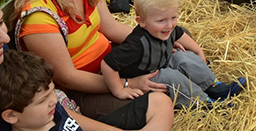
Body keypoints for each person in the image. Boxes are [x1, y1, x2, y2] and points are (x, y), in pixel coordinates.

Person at [14, 0, 173, 126]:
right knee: (160, 104)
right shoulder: (39, 16)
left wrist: (155, 38)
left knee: (167, 63)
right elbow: (67, 77)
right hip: (84, 90)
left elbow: (112, 28)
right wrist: (125, 83)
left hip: (110, 66)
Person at [101, 0, 245, 107]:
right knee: (170, 76)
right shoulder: (136, 45)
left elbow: (179, 34)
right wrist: (119, 89)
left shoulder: (166, 29)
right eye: (161, 20)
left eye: (173, 17)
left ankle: (214, 86)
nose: (169, 25)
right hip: (147, 77)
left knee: (183, 57)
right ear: (141, 21)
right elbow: (107, 64)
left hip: (161, 63)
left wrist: (198, 51)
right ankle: (202, 101)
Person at [0, 50, 172, 131]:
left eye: (52, 92)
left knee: (161, 103)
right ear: (11, 115)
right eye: (42, 100)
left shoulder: (50, 111)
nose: (53, 100)